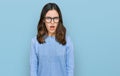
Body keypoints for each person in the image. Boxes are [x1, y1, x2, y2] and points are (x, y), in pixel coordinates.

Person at [30, 3, 74, 76]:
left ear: (59, 20)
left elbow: (70, 69)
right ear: (43, 20)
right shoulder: (35, 42)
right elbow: (33, 71)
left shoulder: (67, 41)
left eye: (55, 18)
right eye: (48, 18)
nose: (52, 22)